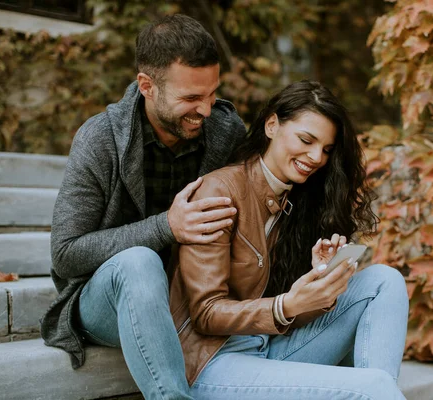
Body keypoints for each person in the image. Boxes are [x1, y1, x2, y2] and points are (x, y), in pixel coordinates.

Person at [40, 14, 246, 400]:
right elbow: (65, 255)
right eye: (190, 98)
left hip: (193, 300)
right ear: (147, 86)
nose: (205, 110)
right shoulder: (99, 140)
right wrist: (166, 227)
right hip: (107, 300)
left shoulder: (225, 130)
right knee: (139, 261)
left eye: (212, 94)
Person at [169, 80, 410, 399]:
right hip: (214, 364)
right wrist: (287, 305)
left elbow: (290, 314)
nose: (316, 157)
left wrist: (320, 286)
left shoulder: (299, 201)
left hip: (269, 349)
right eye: (306, 140)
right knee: (375, 387)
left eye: (326, 149)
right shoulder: (219, 192)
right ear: (272, 125)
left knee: (385, 280)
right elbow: (206, 313)